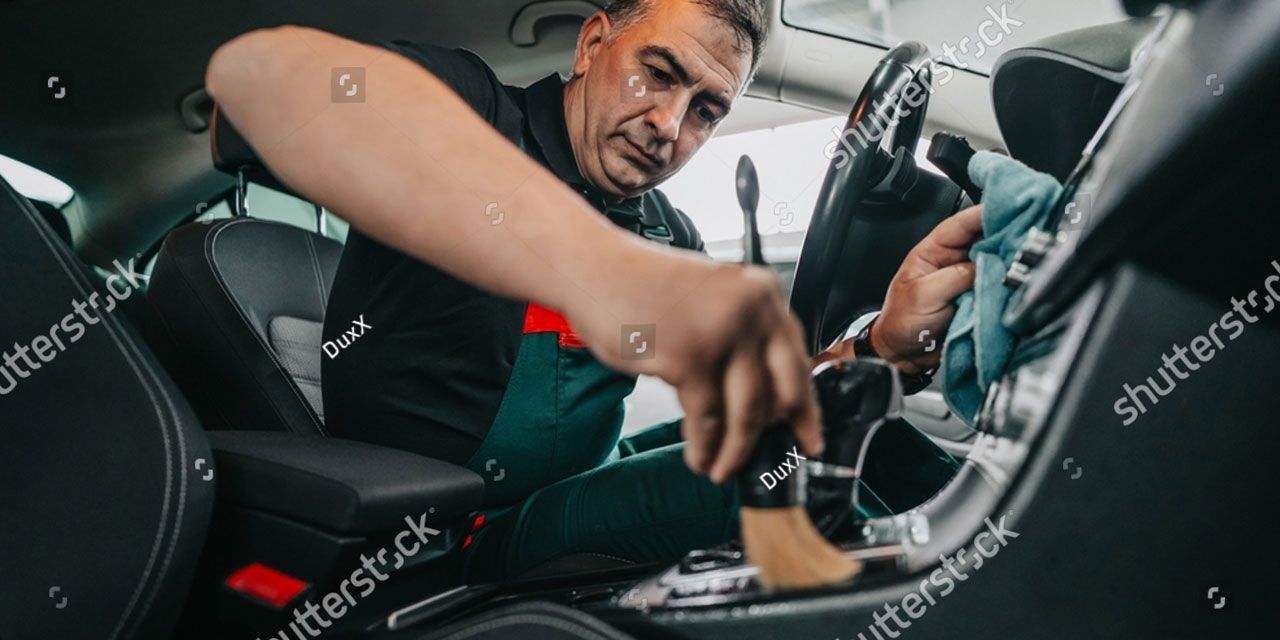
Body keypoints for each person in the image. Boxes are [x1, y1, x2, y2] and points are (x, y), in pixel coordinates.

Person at [205, 0, 982, 581]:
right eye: (658, 73)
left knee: (863, 433)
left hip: (584, 481)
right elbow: (257, 97)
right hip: (449, 533)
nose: (670, 124)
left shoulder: (667, 229)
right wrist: (595, 260)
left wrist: (877, 348)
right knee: (778, 478)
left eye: (706, 110)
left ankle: (1006, 580)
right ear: (591, 44)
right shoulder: (477, 109)